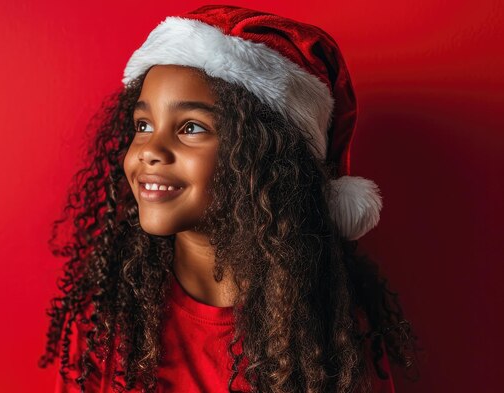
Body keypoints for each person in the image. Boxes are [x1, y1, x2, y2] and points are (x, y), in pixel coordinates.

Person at [39, 5, 419, 393]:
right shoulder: (105, 319)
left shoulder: (333, 330)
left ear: (262, 157)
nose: (149, 150)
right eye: (143, 125)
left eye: (190, 127)